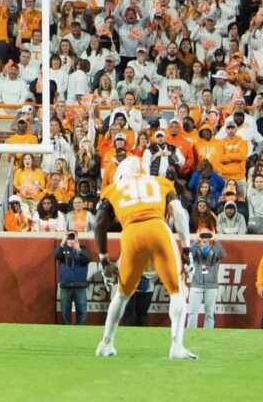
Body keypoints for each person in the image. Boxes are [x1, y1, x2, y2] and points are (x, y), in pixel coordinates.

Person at [89, 153, 198, 359]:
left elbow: (99, 222)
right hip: (157, 228)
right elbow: (179, 213)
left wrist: (104, 260)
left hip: (130, 234)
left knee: (121, 293)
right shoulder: (161, 183)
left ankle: (106, 342)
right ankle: (176, 345)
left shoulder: (113, 189)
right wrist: (187, 248)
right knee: (177, 291)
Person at [186, 227, 224, 329]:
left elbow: (222, 254)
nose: (205, 239)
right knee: (192, 313)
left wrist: (215, 240)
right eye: (203, 236)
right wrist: (196, 239)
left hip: (211, 286)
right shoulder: (196, 251)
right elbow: (188, 253)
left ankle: (207, 334)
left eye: (207, 236)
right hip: (196, 285)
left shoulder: (214, 250)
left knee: (210, 314)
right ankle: (190, 333)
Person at [54, 231, 93, 325]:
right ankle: (66, 334)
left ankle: (80, 333)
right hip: (65, 286)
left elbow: (88, 259)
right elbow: (56, 256)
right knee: (65, 312)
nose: (71, 238)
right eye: (69, 236)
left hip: (80, 286)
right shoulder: (63, 249)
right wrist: (63, 242)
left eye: (73, 236)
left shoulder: (83, 249)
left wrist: (78, 249)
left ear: (77, 237)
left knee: (82, 312)